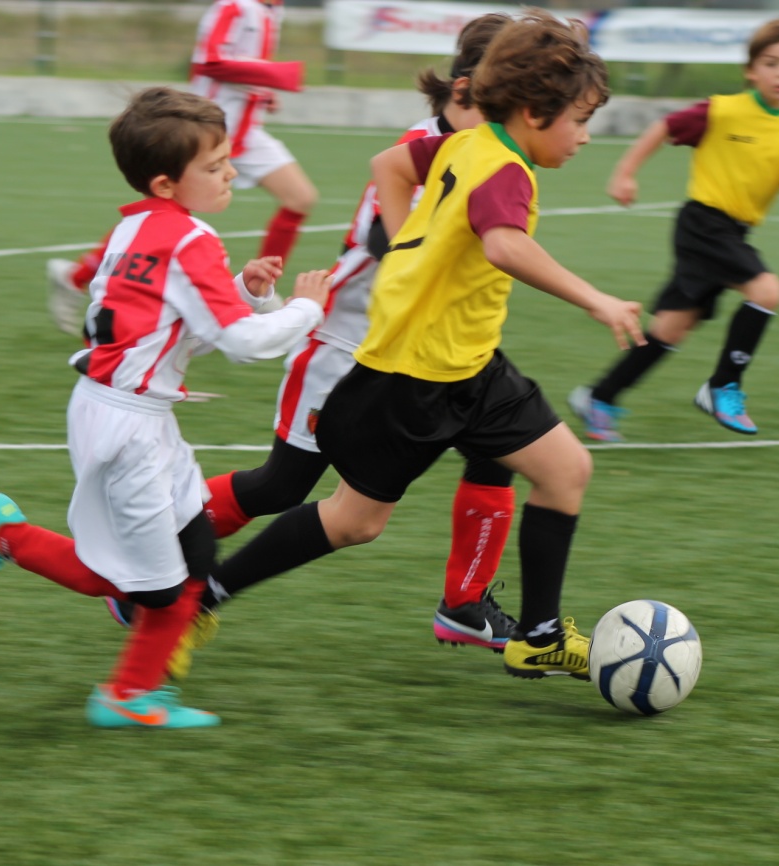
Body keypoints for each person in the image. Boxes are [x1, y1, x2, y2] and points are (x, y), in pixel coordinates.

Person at [173, 11, 644, 683]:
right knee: (352, 521)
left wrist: (406, 249)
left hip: (470, 364)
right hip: (413, 378)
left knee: (566, 470)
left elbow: (388, 165)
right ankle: (202, 597)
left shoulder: (464, 143)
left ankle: (538, 635)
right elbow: (504, 246)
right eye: (580, 119)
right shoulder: (505, 170)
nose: (586, 137)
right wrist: (597, 299)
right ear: (535, 113)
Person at [104, 14, 523, 662]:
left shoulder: (486, 151)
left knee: (499, 447)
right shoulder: (421, 152)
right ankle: (150, 564)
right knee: (283, 487)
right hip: (347, 346)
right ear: (468, 90)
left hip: (425, 351)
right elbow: (393, 243)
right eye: (517, 99)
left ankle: (464, 605)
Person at [0, 87, 331, 729]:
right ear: (165, 183)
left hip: (131, 415)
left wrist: (243, 290)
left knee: (194, 551)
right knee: (147, 586)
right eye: (214, 165)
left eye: (228, 160)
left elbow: (173, 326)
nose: (232, 173)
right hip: (127, 424)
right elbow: (241, 344)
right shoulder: (192, 239)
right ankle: (12, 543)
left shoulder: (134, 228)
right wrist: (306, 308)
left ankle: (137, 689)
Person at [568, 16, 779, 441]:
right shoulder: (723, 111)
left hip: (734, 233)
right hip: (704, 224)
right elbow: (664, 128)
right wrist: (625, 173)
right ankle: (724, 386)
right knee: (767, 291)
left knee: (671, 328)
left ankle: (598, 396)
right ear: (751, 70)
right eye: (771, 63)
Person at [47, 0, 317, 337]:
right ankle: (74, 277)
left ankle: (263, 286)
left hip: (246, 131)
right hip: (207, 132)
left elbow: (240, 67)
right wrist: (275, 74)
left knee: (301, 198)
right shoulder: (233, 7)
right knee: (164, 212)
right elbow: (210, 61)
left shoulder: (271, 10)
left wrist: (261, 92)